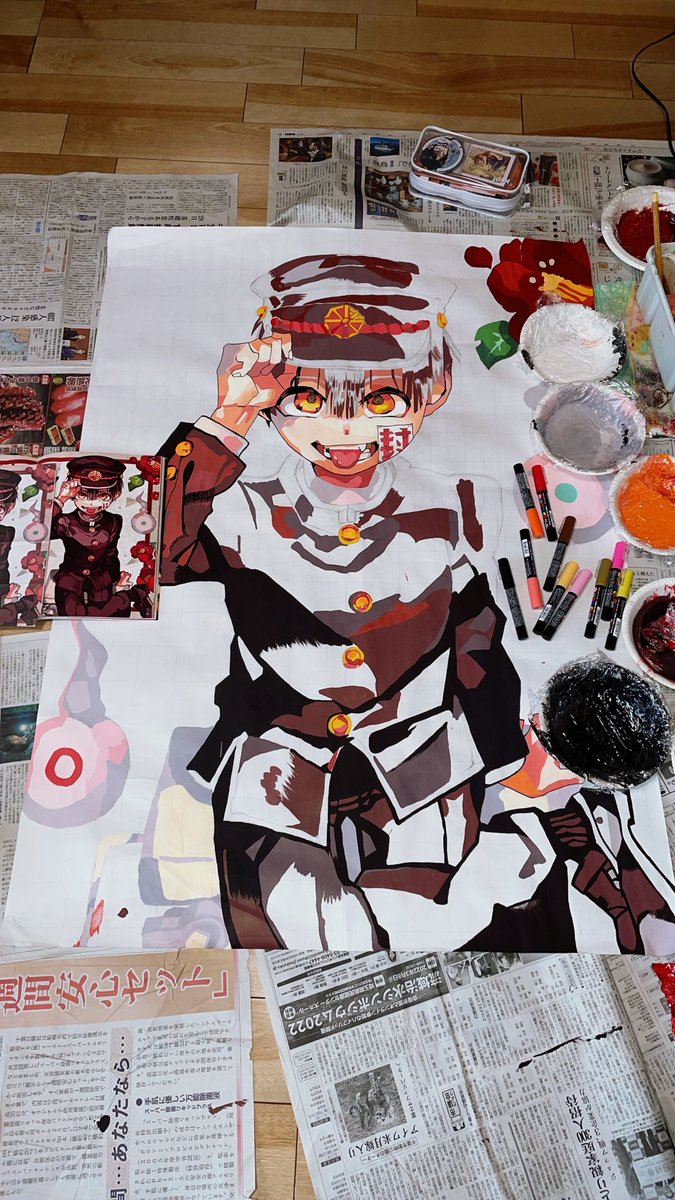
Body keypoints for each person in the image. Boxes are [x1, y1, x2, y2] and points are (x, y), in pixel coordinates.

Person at [160, 253, 675, 952]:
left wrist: (510, 763)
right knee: (288, 917)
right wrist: (229, 416)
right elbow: (148, 555)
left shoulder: (463, 503)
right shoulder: (240, 505)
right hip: (279, 765)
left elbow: (480, 638)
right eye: (307, 400)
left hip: (425, 759)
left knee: (462, 910)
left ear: (431, 391)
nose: (344, 431)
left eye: (380, 403)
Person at [50, 456, 150, 617]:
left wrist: (115, 580)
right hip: (70, 581)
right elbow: (43, 533)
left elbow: (111, 554)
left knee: (106, 619)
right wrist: (61, 499)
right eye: (82, 495)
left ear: (116, 494)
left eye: (102, 496)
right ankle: (130, 596)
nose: (91, 503)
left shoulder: (114, 521)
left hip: (101, 580)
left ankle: (127, 596)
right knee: (73, 616)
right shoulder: (65, 521)